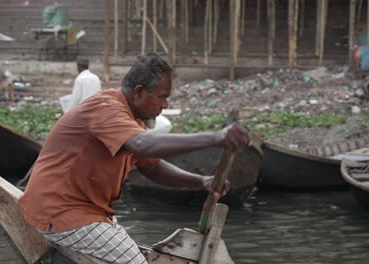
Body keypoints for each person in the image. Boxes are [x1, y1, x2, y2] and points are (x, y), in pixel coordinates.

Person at [19, 53, 250, 264]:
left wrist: (200, 181)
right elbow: (143, 145)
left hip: (92, 212)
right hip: (61, 211)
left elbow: (153, 168)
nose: (165, 105)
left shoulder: (132, 120)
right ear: (139, 92)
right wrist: (216, 137)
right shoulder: (106, 108)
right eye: (162, 97)